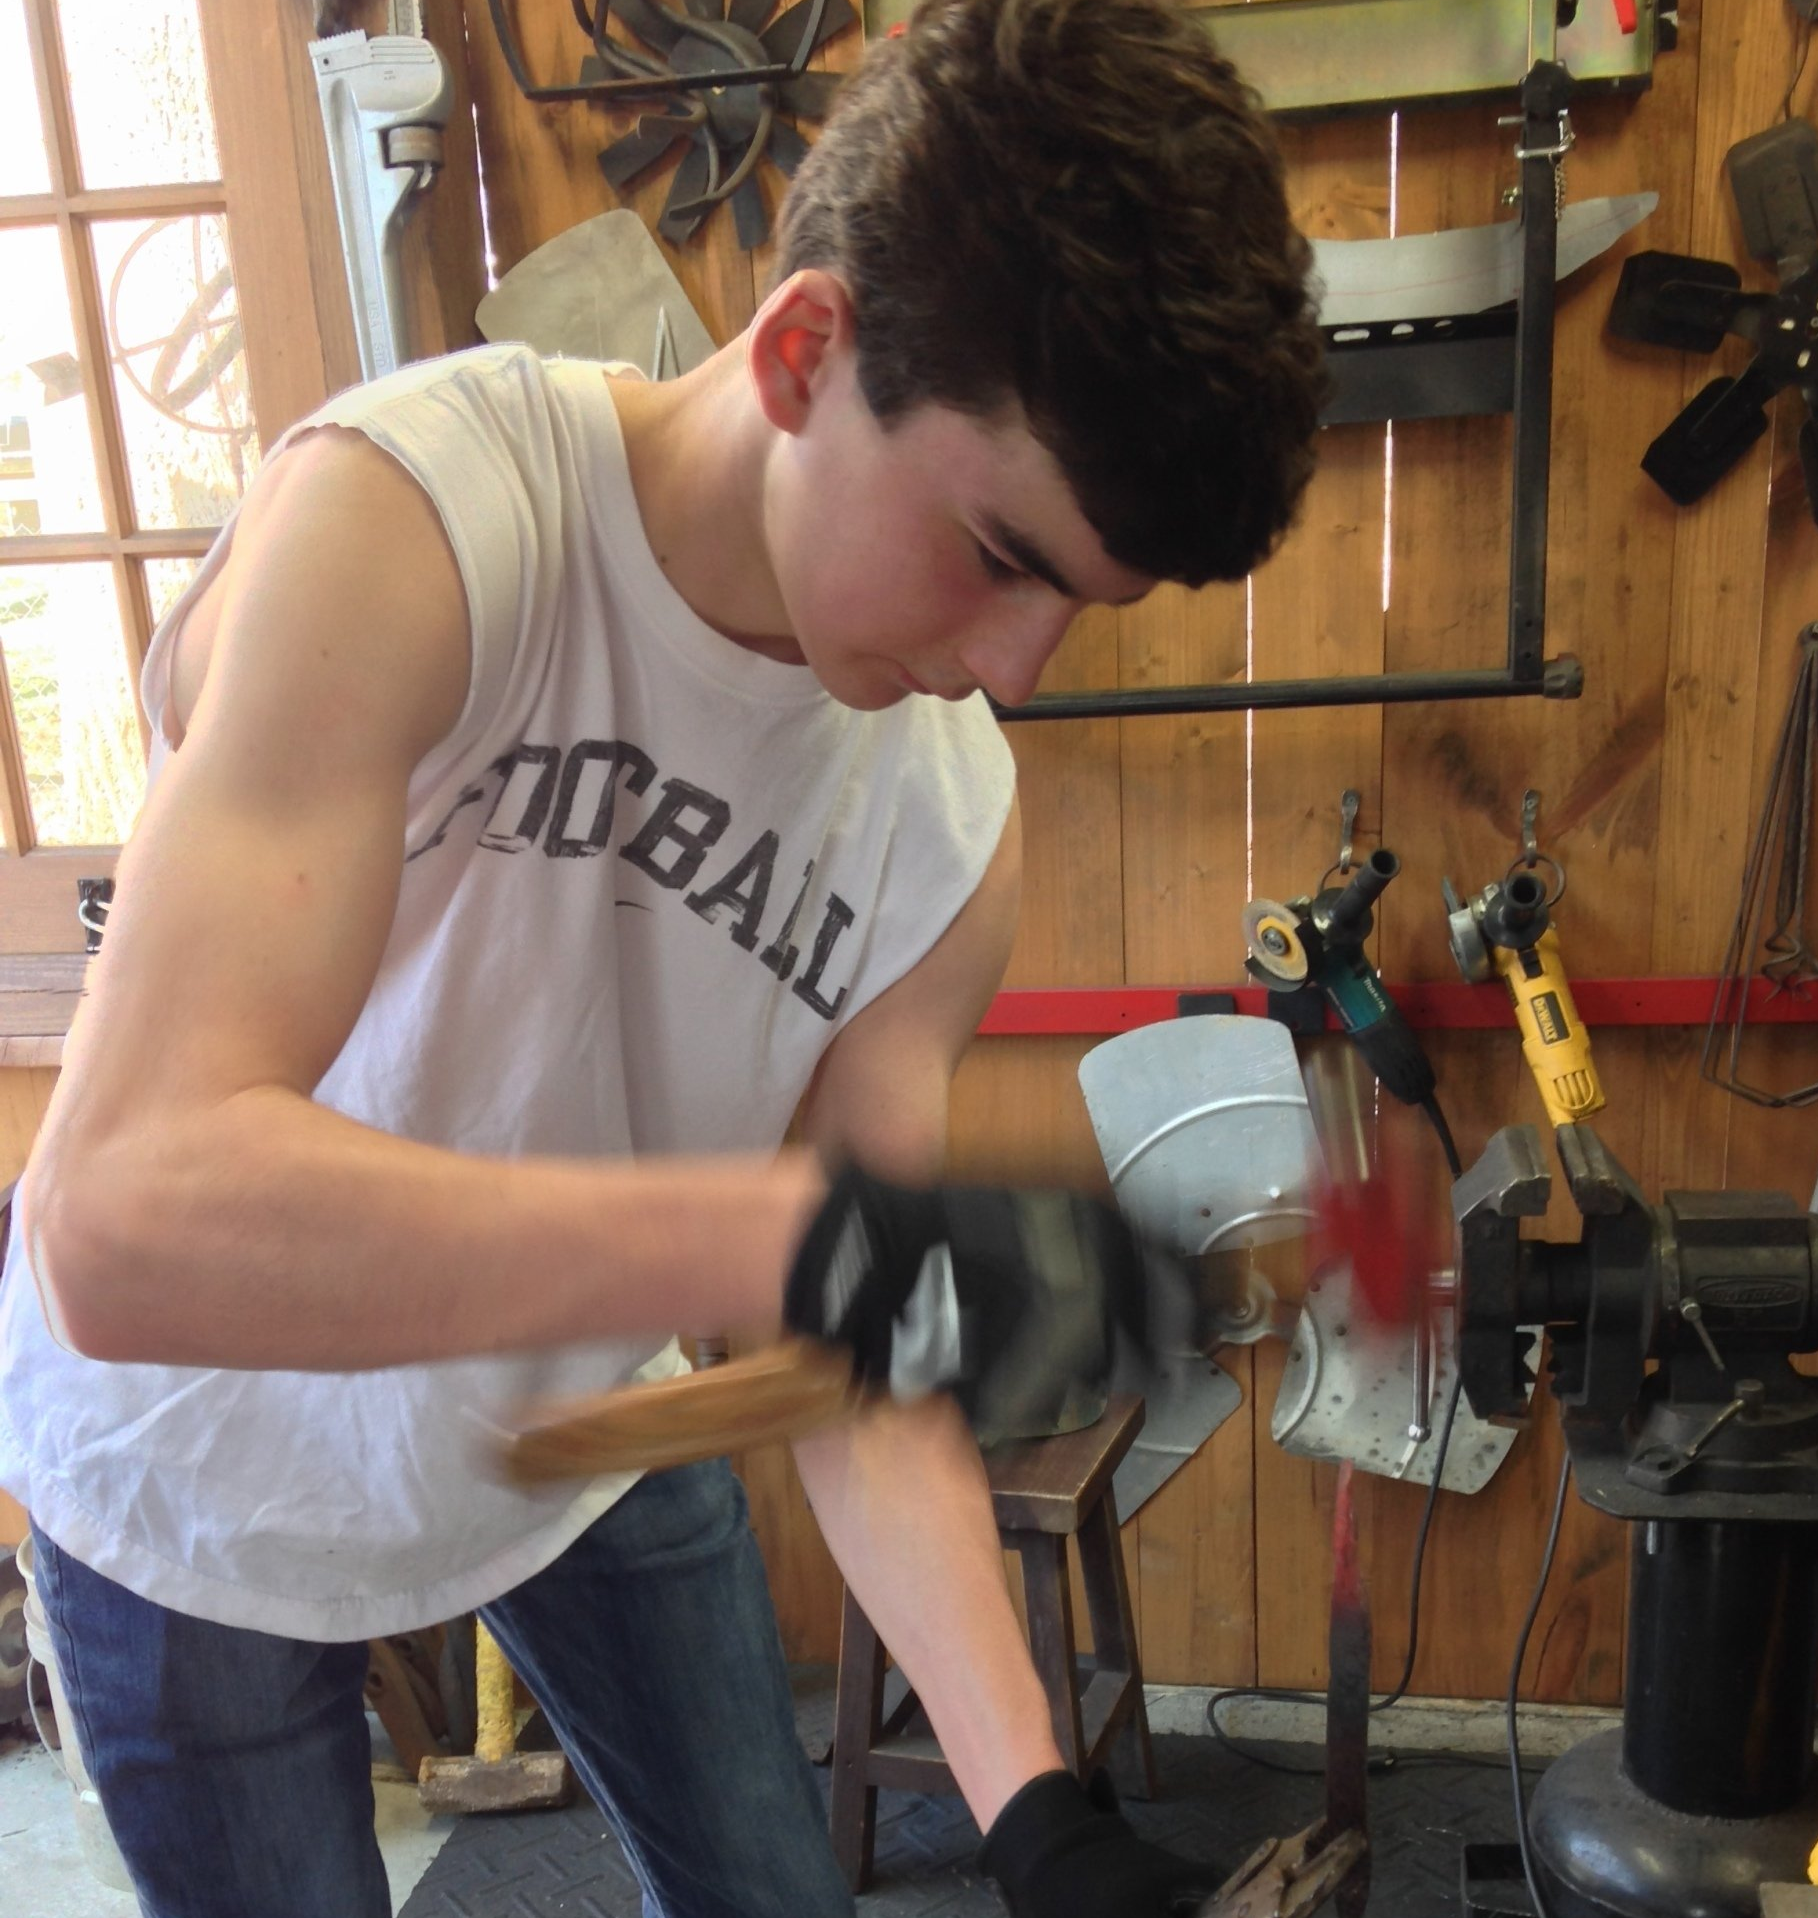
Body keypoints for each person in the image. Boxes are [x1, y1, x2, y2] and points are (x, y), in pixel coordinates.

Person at [0, 0, 1324, 1910]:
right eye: (999, 553)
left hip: (574, 1426)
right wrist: (759, 1240)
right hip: (192, 1463)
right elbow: (125, 1218)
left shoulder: (943, 824)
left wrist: (1044, 1814)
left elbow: (845, 1342)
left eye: (1080, 606)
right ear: (805, 348)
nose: (1015, 668)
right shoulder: (421, 526)